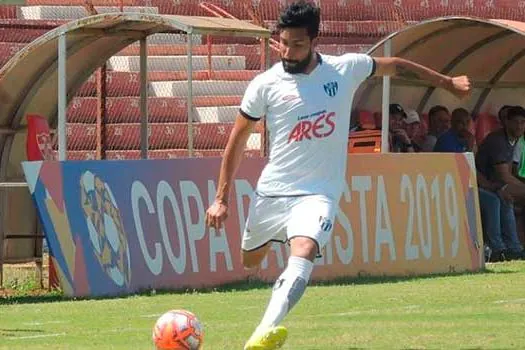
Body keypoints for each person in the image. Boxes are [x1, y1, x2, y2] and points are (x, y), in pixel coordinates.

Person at [205, 2, 471, 349]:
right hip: (272, 193)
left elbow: (397, 66)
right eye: (283, 42)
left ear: (314, 40)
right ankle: (274, 249)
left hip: (319, 192)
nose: (287, 51)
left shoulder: (344, 69)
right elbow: (236, 141)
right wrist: (221, 198)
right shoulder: (265, 84)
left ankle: (260, 335)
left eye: (297, 44)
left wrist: (446, 82)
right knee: (250, 262)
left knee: (304, 247)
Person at [475, 106, 525, 261]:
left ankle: (514, 247)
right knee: (496, 200)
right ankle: (498, 248)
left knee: (505, 198)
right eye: (516, 122)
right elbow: (504, 176)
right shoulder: (497, 140)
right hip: (476, 183)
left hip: (492, 184)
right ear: (506, 122)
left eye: (523, 123)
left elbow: (508, 173)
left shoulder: (514, 140)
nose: (519, 126)